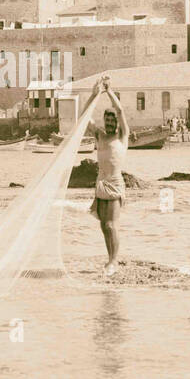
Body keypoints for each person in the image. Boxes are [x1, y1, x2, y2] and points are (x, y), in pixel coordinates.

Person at [87, 75, 129, 276]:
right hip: (100, 184)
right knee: (104, 226)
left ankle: (114, 261)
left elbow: (120, 111)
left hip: (114, 184)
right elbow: (84, 117)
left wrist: (109, 91)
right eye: (108, 119)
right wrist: (94, 95)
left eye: (113, 120)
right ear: (105, 121)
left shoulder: (122, 136)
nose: (111, 122)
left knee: (112, 225)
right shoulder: (100, 135)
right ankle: (109, 259)